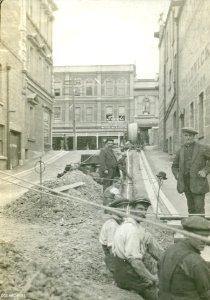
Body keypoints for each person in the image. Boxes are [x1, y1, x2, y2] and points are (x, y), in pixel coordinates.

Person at [112, 198, 163, 300]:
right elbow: (135, 262)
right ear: (131, 208)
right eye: (140, 209)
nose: (143, 212)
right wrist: (152, 279)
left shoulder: (126, 226)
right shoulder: (132, 230)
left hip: (121, 273)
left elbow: (150, 245)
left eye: (145, 210)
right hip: (130, 276)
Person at [158, 216, 210, 300]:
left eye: (206, 236)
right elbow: (206, 294)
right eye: (199, 236)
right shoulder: (196, 261)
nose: (204, 241)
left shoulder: (171, 249)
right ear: (187, 235)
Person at [172, 127, 210, 216]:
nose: (188, 138)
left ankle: (199, 228)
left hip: (198, 183)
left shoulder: (202, 148)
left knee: (199, 209)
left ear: (194, 136)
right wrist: (177, 174)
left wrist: (205, 171)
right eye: (186, 135)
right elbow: (174, 166)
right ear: (183, 136)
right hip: (186, 184)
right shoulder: (180, 150)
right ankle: (191, 227)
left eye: (190, 136)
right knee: (191, 209)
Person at [99, 199, 129, 273]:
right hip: (110, 249)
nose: (124, 210)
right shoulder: (112, 225)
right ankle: (111, 267)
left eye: (125, 207)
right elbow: (111, 247)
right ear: (115, 210)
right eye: (121, 208)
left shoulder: (120, 219)